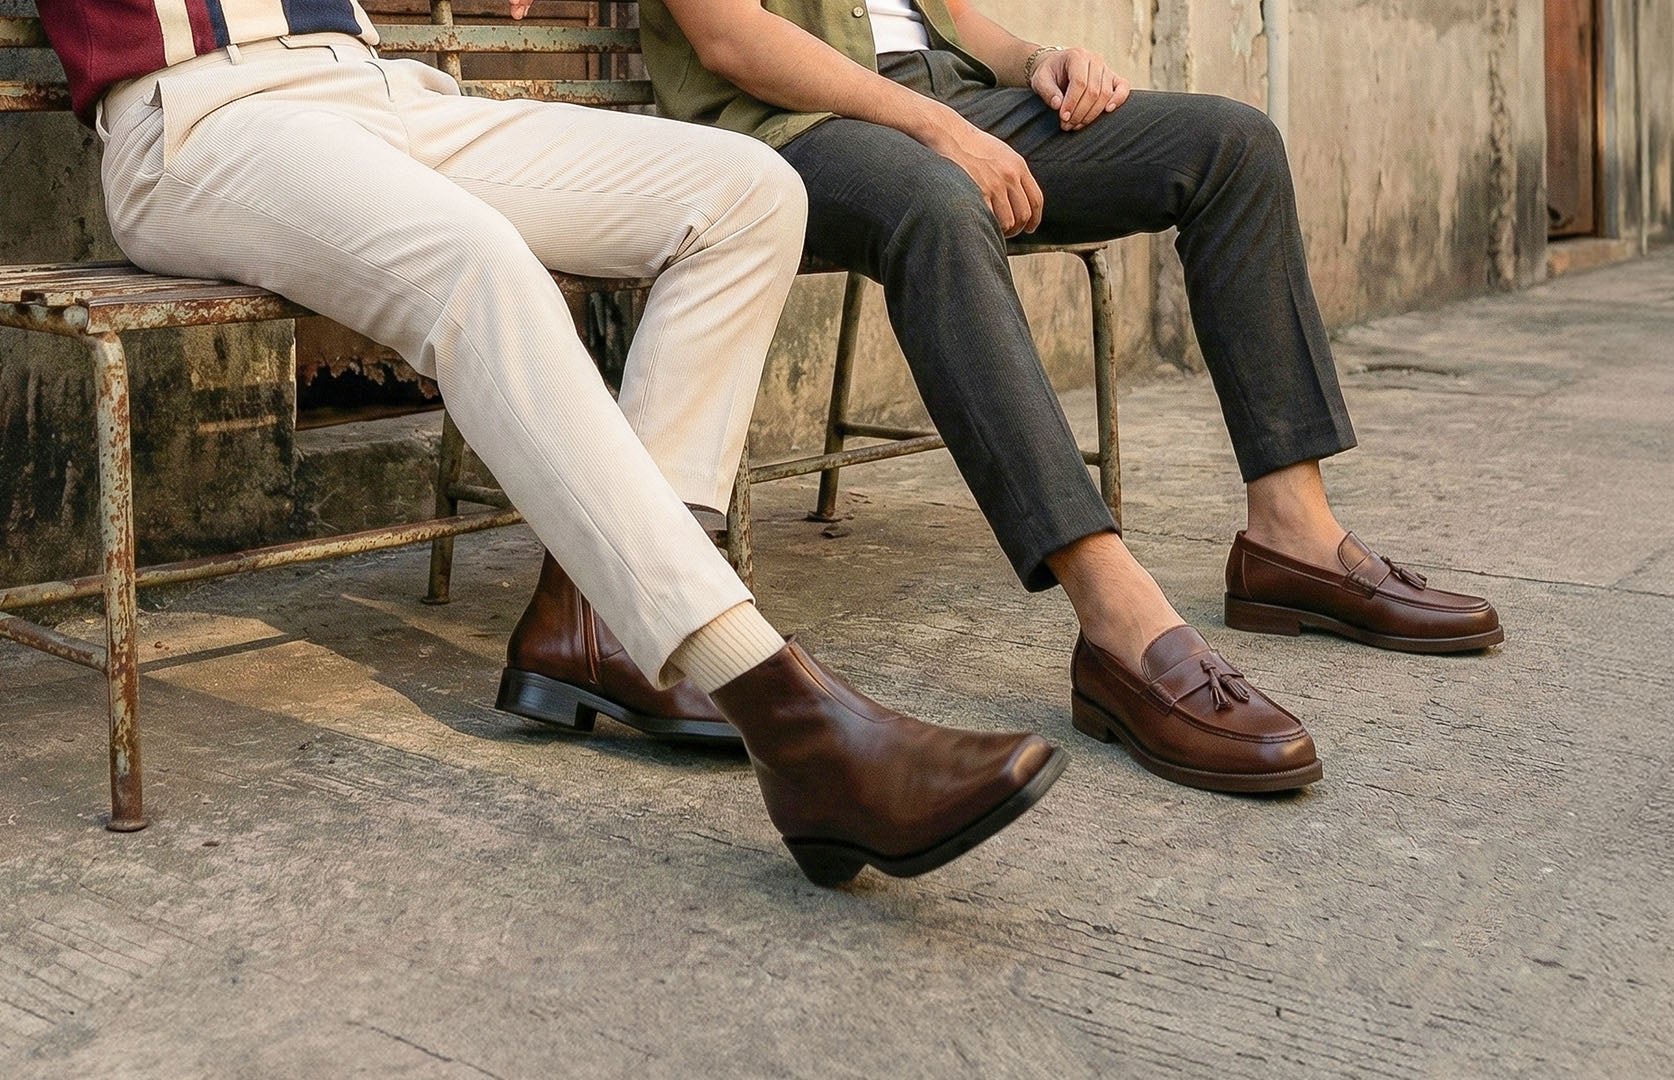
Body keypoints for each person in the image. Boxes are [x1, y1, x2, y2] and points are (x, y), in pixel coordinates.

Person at [37, 0, 1064, 886]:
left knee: (750, 193)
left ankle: (610, 624)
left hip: (377, 91)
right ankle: (785, 715)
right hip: (200, 116)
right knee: (477, 265)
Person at [496, 0, 1504, 796]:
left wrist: (1037, 62)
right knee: (940, 203)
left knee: (1232, 145)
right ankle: (1116, 622)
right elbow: (730, 36)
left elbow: (955, 16)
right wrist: (939, 130)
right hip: (789, 132)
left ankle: (1293, 537)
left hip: (947, 101)